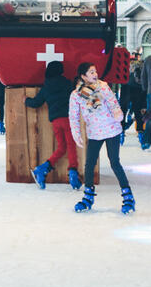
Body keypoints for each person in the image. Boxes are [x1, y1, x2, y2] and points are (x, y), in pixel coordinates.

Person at [67, 61, 135, 214]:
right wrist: (76, 133)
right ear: (83, 76)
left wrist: (118, 113)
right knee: (89, 165)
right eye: (91, 72)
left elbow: (113, 102)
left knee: (115, 162)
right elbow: (73, 116)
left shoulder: (103, 86)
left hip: (111, 129)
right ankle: (88, 197)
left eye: (95, 71)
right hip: (95, 132)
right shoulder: (76, 94)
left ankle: (128, 196)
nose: (95, 74)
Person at [26, 60, 79, 189]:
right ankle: (73, 174)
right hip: (68, 119)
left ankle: (42, 169)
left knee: (62, 147)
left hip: (56, 121)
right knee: (71, 146)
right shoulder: (67, 83)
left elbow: (36, 103)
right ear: (61, 71)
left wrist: (26, 100)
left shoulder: (46, 86)